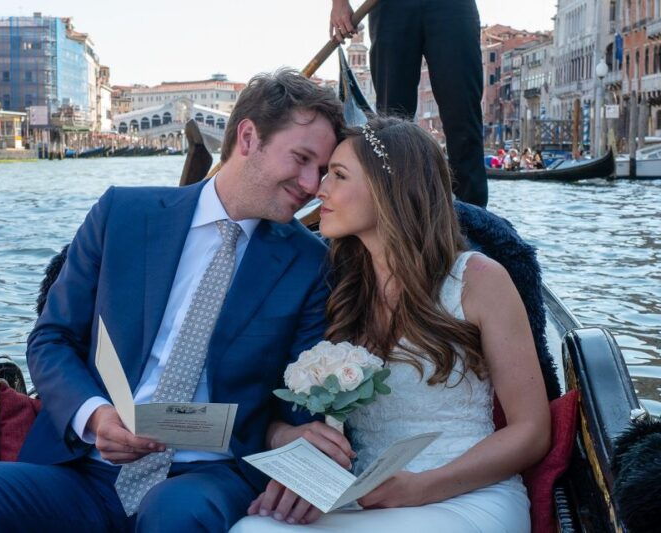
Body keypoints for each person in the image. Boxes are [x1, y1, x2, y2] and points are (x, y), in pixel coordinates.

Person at [0, 69, 354, 533]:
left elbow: (298, 405)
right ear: (248, 138)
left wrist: (294, 446)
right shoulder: (122, 214)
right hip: (85, 471)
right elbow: (53, 338)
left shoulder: (310, 263)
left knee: (174, 512)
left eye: (323, 170)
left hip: (208, 475)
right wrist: (95, 416)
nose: (312, 185)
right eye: (302, 159)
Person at [232, 116, 551, 532]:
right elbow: (277, 410)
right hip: (364, 494)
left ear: (389, 189)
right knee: (252, 530)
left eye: (338, 175)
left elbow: (532, 430)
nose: (319, 188)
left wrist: (424, 486)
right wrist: (288, 444)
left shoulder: (479, 279)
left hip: (467, 494)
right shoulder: (336, 289)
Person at [330, 0, 488, 208]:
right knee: (391, 127)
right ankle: (396, 215)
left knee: (464, 118)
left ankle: (476, 218)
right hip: (390, 7)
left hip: (453, 6)